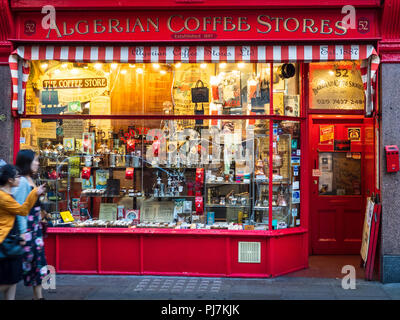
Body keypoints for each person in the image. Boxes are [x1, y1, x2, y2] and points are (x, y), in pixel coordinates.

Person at [0, 164, 45, 300]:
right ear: (10, 180)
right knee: (8, 281)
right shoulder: (4, 197)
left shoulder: (8, 194)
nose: (20, 179)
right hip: (5, 240)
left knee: (12, 280)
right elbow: (22, 211)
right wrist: (34, 193)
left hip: (10, 238)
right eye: (17, 177)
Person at [14, 149, 48, 300]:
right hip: (27, 230)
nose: (38, 163)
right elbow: (20, 209)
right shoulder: (22, 182)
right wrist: (22, 233)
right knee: (19, 265)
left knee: (37, 263)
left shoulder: (29, 180)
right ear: (26, 162)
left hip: (34, 229)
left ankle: (38, 297)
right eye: (35, 160)